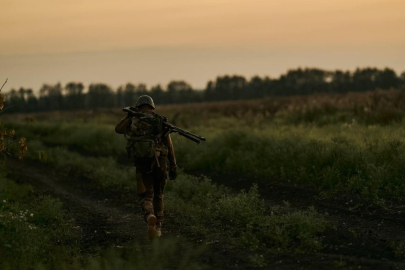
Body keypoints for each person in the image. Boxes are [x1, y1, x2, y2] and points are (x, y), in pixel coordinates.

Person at [115, 95, 177, 239]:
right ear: (152, 107)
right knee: (159, 194)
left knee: (145, 195)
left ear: (138, 106)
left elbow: (118, 129)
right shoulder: (159, 120)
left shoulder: (133, 119)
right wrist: (173, 164)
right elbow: (169, 145)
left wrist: (128, 116)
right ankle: (159, 227)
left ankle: (150, 216)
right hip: (160, 162)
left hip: (143, 163)